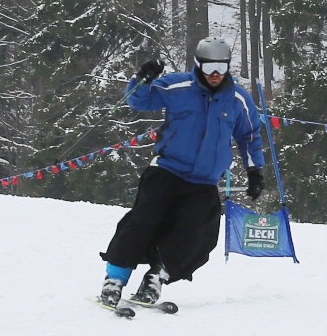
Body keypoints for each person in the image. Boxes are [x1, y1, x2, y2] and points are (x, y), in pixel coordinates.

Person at [99, 37, 266, 307]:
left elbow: (249, 136)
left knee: (193, 233)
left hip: (203, 181)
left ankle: (156, 278)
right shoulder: (179, 86)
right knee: (143, 221)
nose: (215, 74)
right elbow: (138, 101)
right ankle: (115, 279)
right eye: (209, 67)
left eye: (221, 68)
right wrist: (142, 78)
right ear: (198, 65)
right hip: (167, 171)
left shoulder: (237, 99)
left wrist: (254, 171)